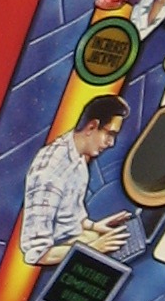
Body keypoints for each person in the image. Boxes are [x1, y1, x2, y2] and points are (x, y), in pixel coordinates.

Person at [20, 96, 132, 267]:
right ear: (92, 127)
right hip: (54, 262)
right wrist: (95, 247)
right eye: (109, 134)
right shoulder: (50, 173)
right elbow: (37, 254)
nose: (111, 143)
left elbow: (70, 216)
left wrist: (95, 227)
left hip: (75, 243)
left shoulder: (78, 157)